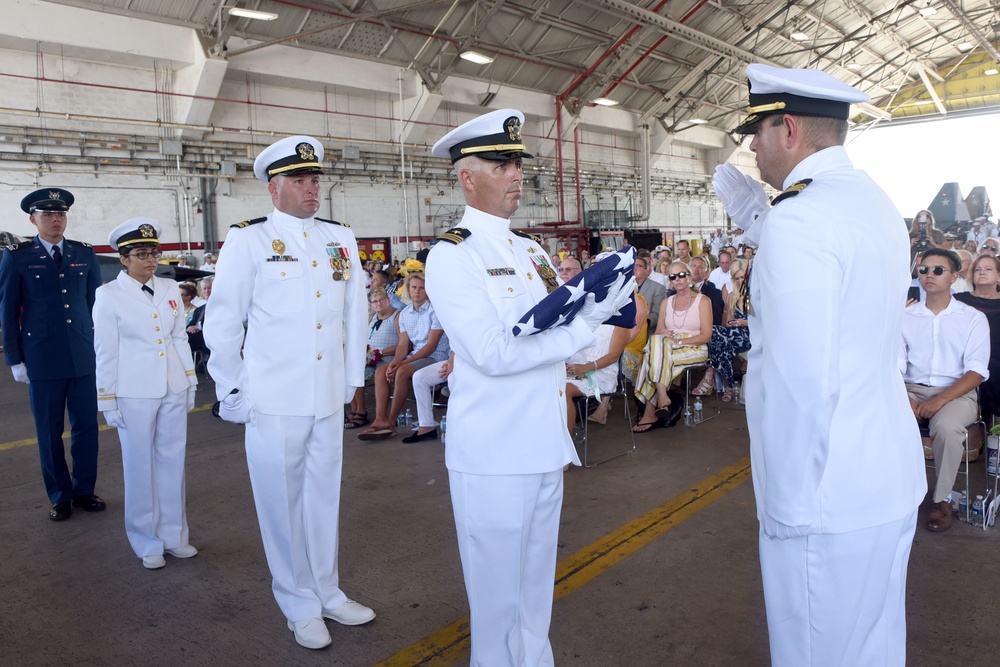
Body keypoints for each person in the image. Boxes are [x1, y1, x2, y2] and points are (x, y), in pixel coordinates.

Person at [713, 64, 926, 666]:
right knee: (875, 650)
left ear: (788, 129)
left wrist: (787, 504)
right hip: (884, 477)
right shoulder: (870, 199)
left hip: (825, 495)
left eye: (758, 129)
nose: (751, 146)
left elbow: (800, 379)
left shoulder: (801, 217)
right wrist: (766, 220)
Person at [424, 108, 631, 666]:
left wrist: (596, 307)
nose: (516, 173)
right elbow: (489, 352)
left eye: (517, 162)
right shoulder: (451, 254)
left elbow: (552, 329)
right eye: (501, 163)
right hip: (493, 452)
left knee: (536, 588)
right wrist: (580, 332)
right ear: (468, 177)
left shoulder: (531, 251)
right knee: (495, 601)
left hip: (542, 443)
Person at [203, 135, 375, 650]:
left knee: (323, 498)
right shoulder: (249, 240)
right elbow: (224, 320)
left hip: (326, 395)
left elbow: (354, 312)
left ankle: (327, 590)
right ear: (273, 188)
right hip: (273, 396)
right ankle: (297, 601)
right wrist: (231, 387)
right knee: (281, 502)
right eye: (299, 179)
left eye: (315, 178)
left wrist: (351, 381)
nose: (311, 188)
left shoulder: (340, 238)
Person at [93, 219, 199, 569]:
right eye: (141, 254)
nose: (150, 260)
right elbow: (105, 350)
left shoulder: (169, 289)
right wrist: (106, 399)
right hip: (133, 390)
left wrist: (190, 380)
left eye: (154, 252)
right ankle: (146, 541)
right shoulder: (108, 295)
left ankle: (174, 535)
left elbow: (179, 338)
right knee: (139, 466)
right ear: (123, 259)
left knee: (173, 462)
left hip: (171, 385)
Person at [0, 188, 105, 521]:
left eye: (60, 215)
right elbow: (6, 309)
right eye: (47, 215)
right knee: (48, 431)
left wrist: (103, 349)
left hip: (82, 354)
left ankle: (84, 489)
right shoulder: (17, 256)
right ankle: (60, 495)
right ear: (33, 219)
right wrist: (14, 357)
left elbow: (96, 307)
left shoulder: (83, 253)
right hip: (42, 357)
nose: (55, 220)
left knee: (87, 427)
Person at [901, 249, 988, 532]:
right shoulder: (905, 316)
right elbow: (893, 366)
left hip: (956, 391)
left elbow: (976, 372)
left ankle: (942, 499)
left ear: (954, 276)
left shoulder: (972, 318)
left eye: (938, 270)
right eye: (924, 270)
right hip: (910, 388)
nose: (929, 275)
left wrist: (940, 399)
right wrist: (904, 398)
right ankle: (891, 492)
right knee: (883, 418)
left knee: (948, 429)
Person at [359, 271, 449, 440]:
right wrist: (396, 361)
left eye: (422, 288)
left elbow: (431, 346)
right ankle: (380, 419)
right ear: (408, 289)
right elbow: (403, 343)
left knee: (402, 372)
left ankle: (390, 422)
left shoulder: (435, 311)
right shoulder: (405, 313)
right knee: (381, 371)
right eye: (414, 287)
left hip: (437, 356)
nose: (417, 291)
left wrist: (403, 364)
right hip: (416, 355)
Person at [632, 261, 712, 432]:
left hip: (694, 346)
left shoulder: (703, 301)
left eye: (681, 275)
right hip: (667, 345)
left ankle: (650, 411)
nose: (678, 279)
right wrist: (665, 336)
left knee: (650, 358)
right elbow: (659, 331)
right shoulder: (666, 303)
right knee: (657, 344)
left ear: (689, 277)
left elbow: (706, 336)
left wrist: (680, 341)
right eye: (673, 277)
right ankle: (662, 398)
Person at [345, 286, 398, 430]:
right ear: (371, 305)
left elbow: (405, 344)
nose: (379, 304)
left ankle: (362, 413)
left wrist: (379, 353)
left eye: (382, 300)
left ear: (388, 300)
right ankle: (357, 410)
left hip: (389, 356)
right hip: (371, 356)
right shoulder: (371, 317)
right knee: (353, 368)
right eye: (375, 302)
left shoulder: (397, 316)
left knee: (375, 371)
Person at [954, 253, 1000, 418]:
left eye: (988, 269)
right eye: (978, 269)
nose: (982, 272)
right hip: (962, 359)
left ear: (998, 275)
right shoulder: (957, 301)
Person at [706, 258, 751, 401]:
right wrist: (732, 324)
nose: (739, 281)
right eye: (736, 278)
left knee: (722, 340)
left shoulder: (757, 295)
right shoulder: (734, 296)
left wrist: (744, 322)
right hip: (736, 334)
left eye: (742, 277)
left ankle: (716, 376)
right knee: (715, 333)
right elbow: (728, 321)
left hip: (753, 334)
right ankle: (728, 383)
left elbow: (767, 322)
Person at [402, 352, 455, 443]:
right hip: (456, 359)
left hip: (476, 363)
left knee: (456, 378)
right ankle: (427, 426)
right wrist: (451, 361)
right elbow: (456, 345)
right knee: (419, 377)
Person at [634, 253, 666, 329]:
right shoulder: (624, 288)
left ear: (646, 270)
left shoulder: (658, 288)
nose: (634, 269)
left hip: (645, 330)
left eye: (638, 266)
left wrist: (640, 325)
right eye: (632, 266)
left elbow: (657, 314)